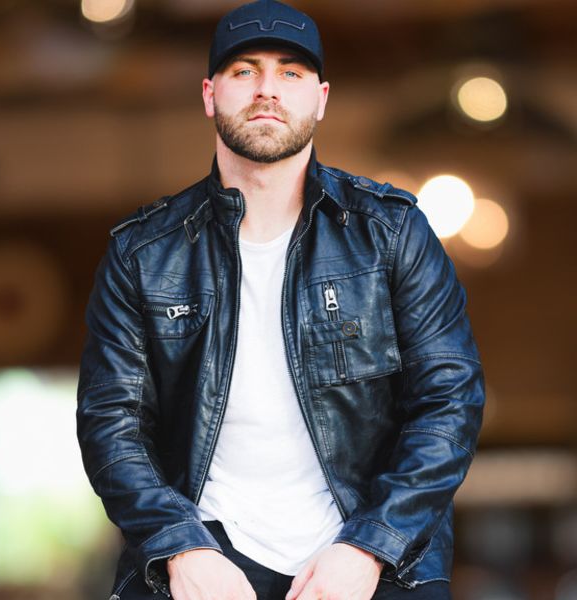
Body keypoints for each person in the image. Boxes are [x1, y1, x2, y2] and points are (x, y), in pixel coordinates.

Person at [76, 1, 485, 599]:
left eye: (290, 72)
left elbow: (450, 401)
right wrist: (181, 548)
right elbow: (111, 423)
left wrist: (370, 546)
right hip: (204, 564)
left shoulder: (392, 233)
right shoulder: (142, 254)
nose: (267, 89)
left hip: (371, 562)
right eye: (245, 70)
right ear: (210, 94)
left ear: (320, 98)